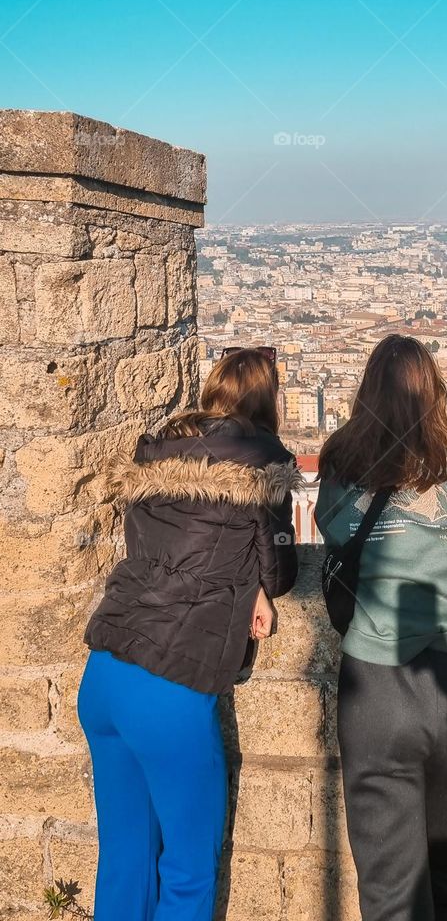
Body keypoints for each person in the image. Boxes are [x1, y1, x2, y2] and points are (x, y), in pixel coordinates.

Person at [78, 347, 299, 921]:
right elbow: (281, 572)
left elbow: (160, 554)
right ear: (267, 400)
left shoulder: (155, 453)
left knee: (124, 859)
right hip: (169, 687)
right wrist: (256, 585)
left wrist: (242, 580)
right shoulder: (261, 464)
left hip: (104, 673)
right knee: (187, 871)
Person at [314, 334, 447, 921]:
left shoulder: (342, 461)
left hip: (379, 683)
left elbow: (334, 533)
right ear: (436, 390)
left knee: (391, 892)